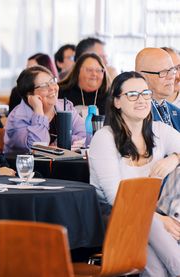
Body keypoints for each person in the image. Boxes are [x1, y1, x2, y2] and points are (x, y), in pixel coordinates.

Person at [89, 71, 180, 277]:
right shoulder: (105, 138)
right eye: (132, 95)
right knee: (153, 226)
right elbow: (116, 198)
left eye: (146, 93)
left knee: (156, 270)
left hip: (147, 215)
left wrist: (174, 158)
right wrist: (159, 219)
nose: (141, 100)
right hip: (112, 216)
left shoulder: (159, 131)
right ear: (117, 102)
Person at [4, 66, 85, 154]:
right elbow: (38, 147)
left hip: (63, 165)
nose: (52, 88)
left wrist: (57, 145)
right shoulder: (17, 118)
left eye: (52, 81)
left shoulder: (65, 106)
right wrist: (38, 111)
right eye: (44, 85)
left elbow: (84, 135)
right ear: (29, 95)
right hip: (27, 166)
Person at [135, 48, 180, 131]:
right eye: (163, 72)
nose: (171, 77)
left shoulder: (177, 112)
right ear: (142, 76)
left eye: (172, 70)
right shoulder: (134, 114)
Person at [58, 52, 110, 117]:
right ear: (78, 71)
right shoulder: (61, 92)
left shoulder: (111, 96)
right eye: (89, 70)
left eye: (98, 70)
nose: (94, 74)